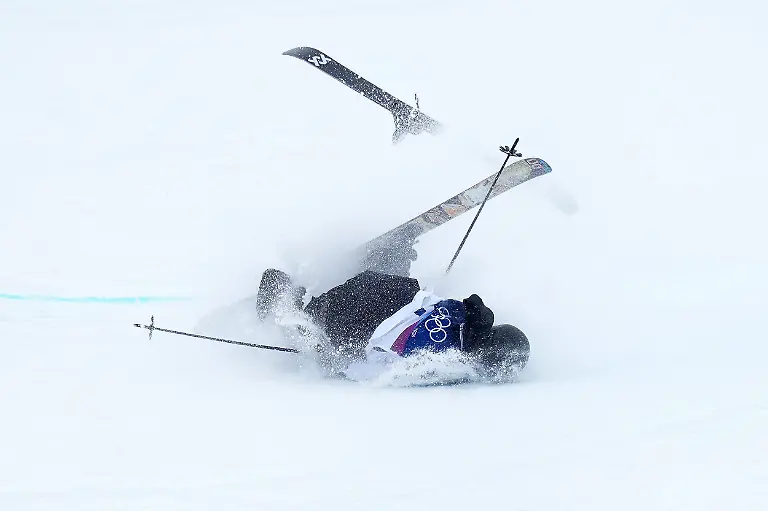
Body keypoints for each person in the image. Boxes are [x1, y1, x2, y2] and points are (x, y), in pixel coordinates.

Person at [256, 234, 530, 379]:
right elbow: (385, 371)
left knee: (375, 286)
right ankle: (285, 301)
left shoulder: (470, 320)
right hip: (365, 327)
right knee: (323, 326)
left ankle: (390, 255)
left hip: (394, 293)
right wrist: (339, 366)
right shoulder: (448, 363)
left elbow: (473, 303)